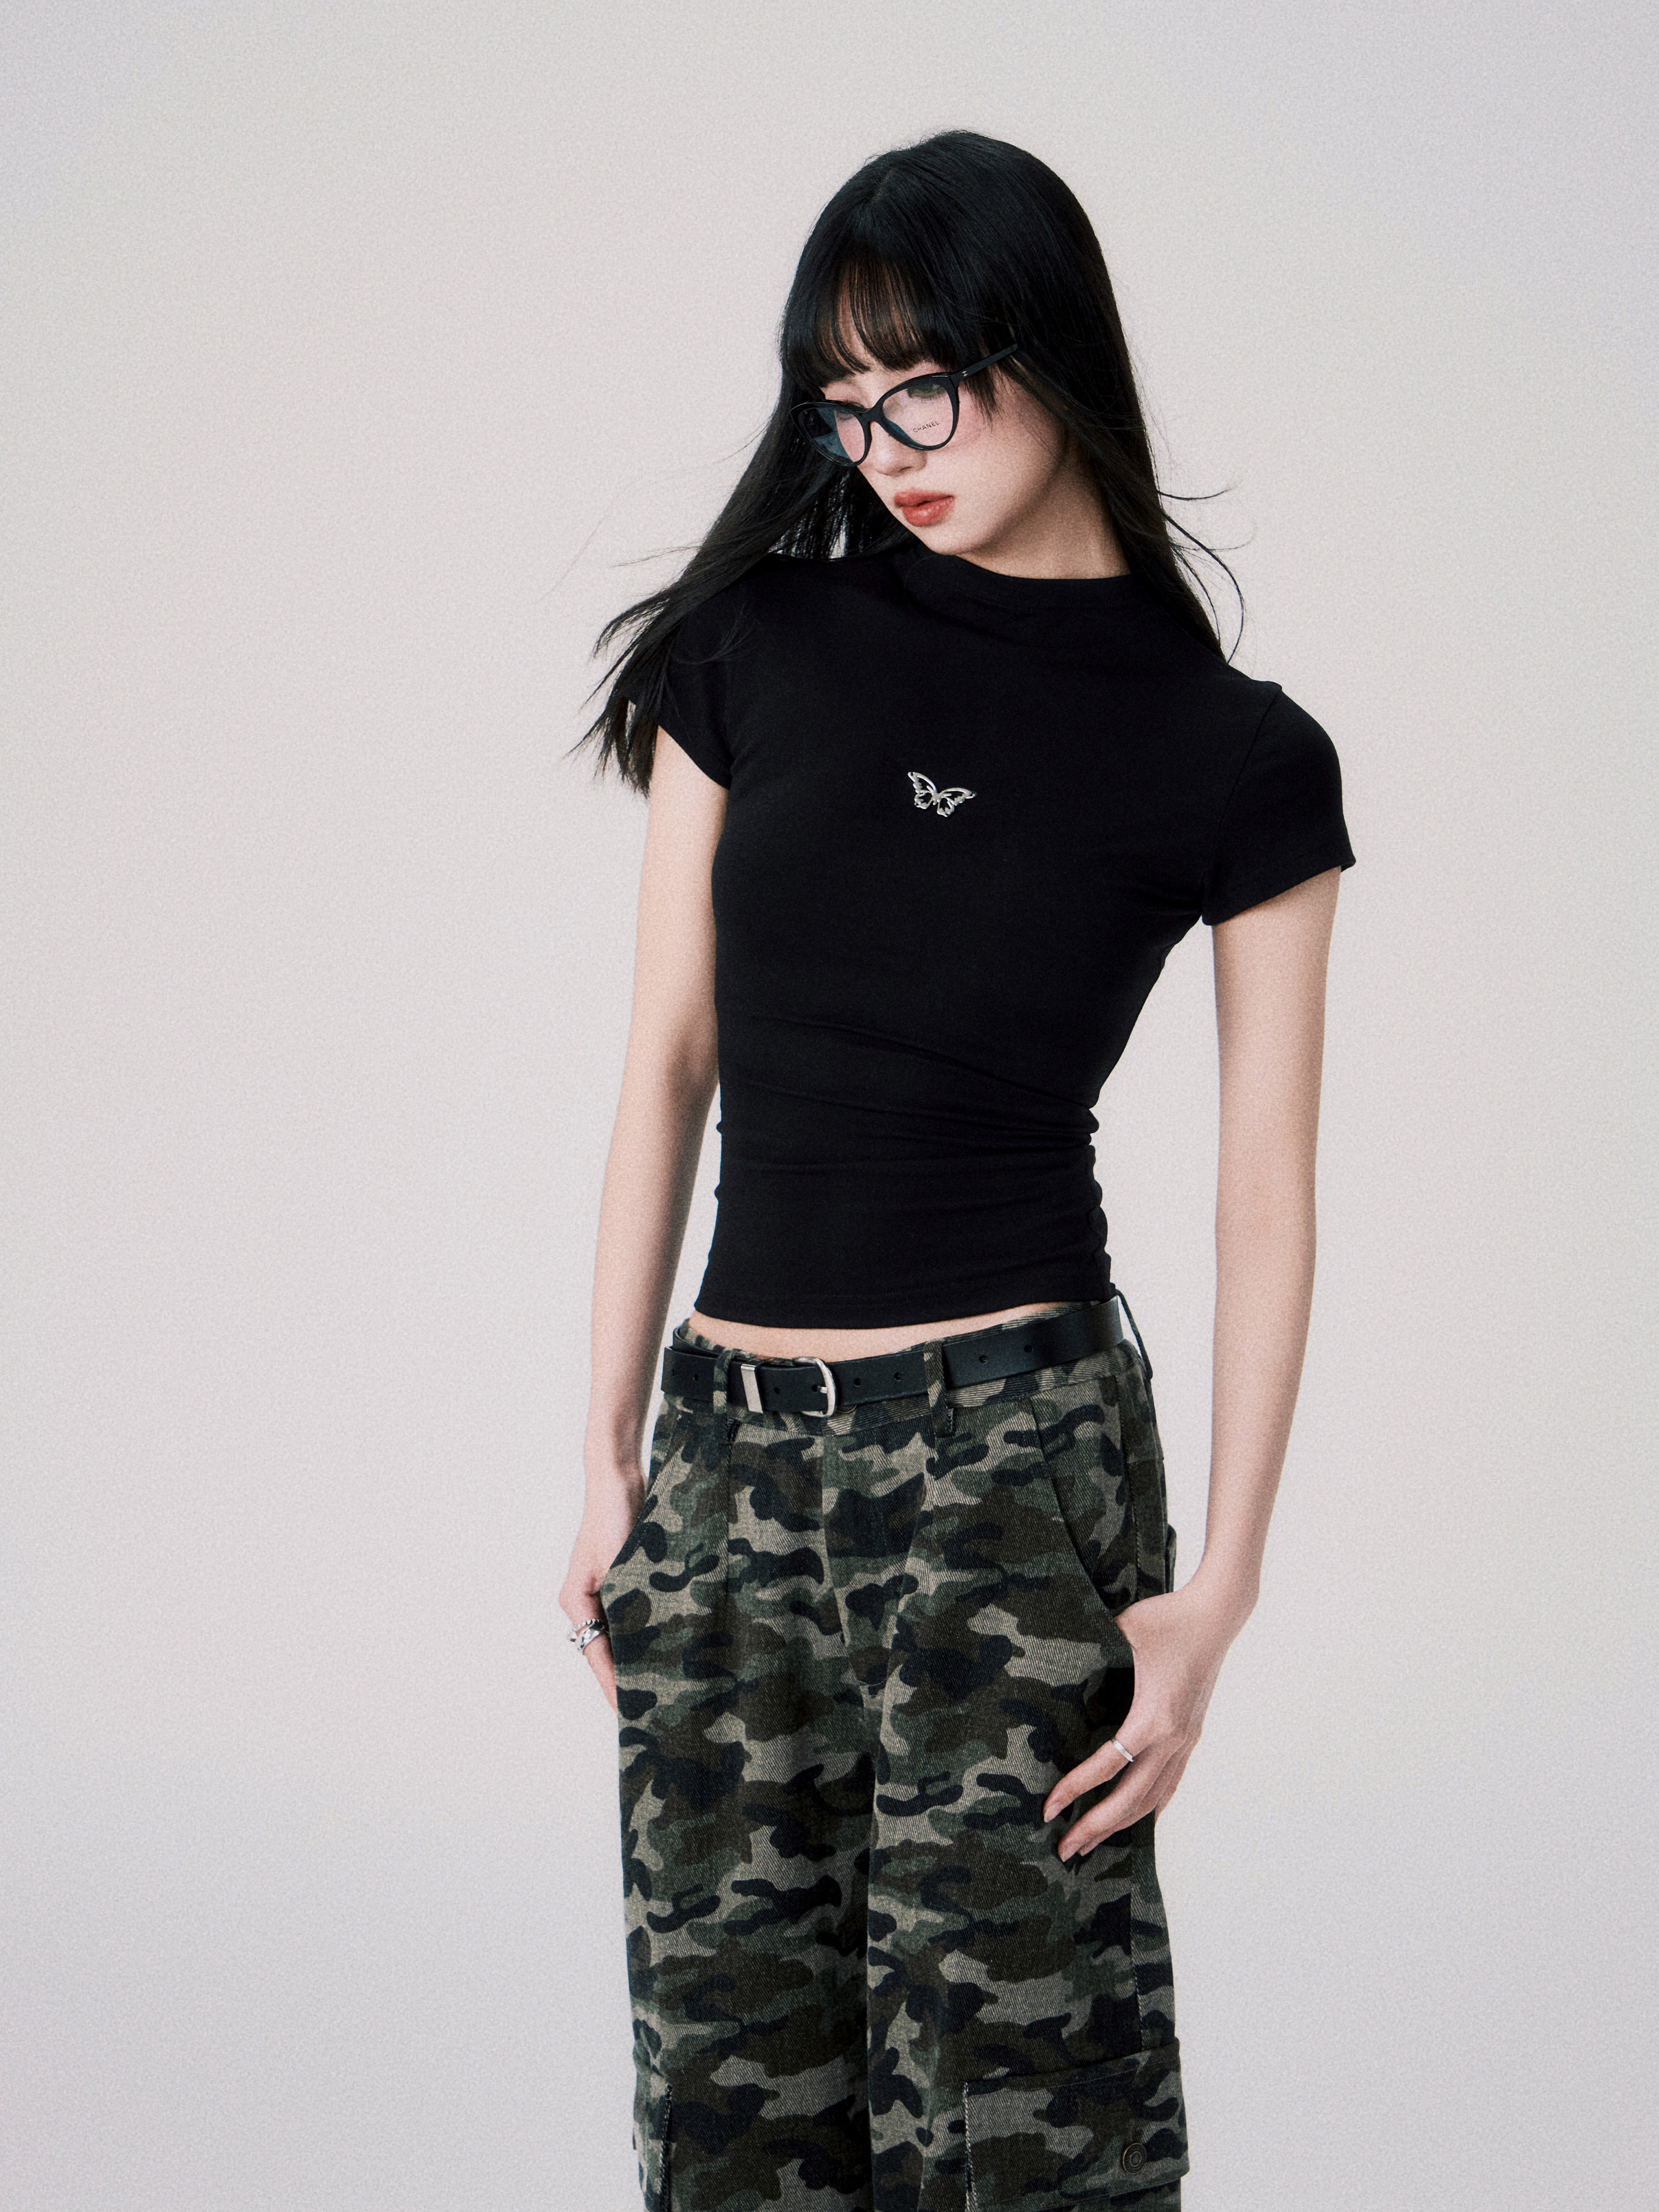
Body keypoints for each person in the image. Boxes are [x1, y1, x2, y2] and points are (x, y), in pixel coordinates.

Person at [562, 129, 1353, 2212]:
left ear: (1049, 352)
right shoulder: (757, 645)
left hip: (1010, 1475)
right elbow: (666, 1064)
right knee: (732, 2126)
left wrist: (1220, 1592)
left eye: (925, 390)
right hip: (728, 1466)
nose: (885, 449)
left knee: (1022, 2128)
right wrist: (608, 1455)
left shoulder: (1238, 756)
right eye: (845, 406)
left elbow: (1265, 1197)